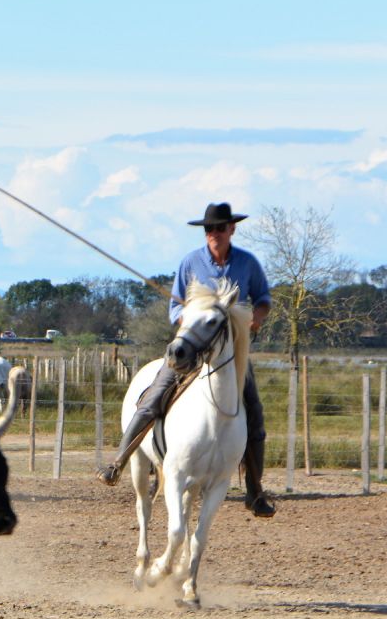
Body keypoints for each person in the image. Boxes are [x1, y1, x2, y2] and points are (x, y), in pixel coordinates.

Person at [96, 202, 275, 517]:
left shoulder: (247, 264)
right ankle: (119, 460)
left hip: (232, 355)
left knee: (255, 414)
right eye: (209, 229)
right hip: (191, 348)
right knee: (153, 396)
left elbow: (263, 300)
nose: (213, 234)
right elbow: (175, 310)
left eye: (219, 228)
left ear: (231, 229)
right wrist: (193, 330)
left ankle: (255, 491)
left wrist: (254, 320)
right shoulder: (190, 263)